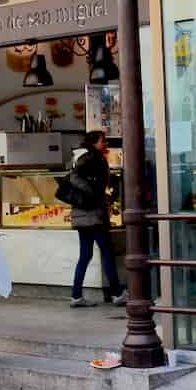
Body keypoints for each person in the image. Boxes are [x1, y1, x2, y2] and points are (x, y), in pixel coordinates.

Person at [65, 131, 126, 308]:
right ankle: (116, 293)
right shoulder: (91, 157)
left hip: (83, 216)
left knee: (85, 255)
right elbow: (75, 177)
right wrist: (94, 193)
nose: (105, 143)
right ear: (94, 143)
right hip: (93, 216)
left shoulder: (86, 156)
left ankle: (76, 296)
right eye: (103, 141)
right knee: (107, 253)